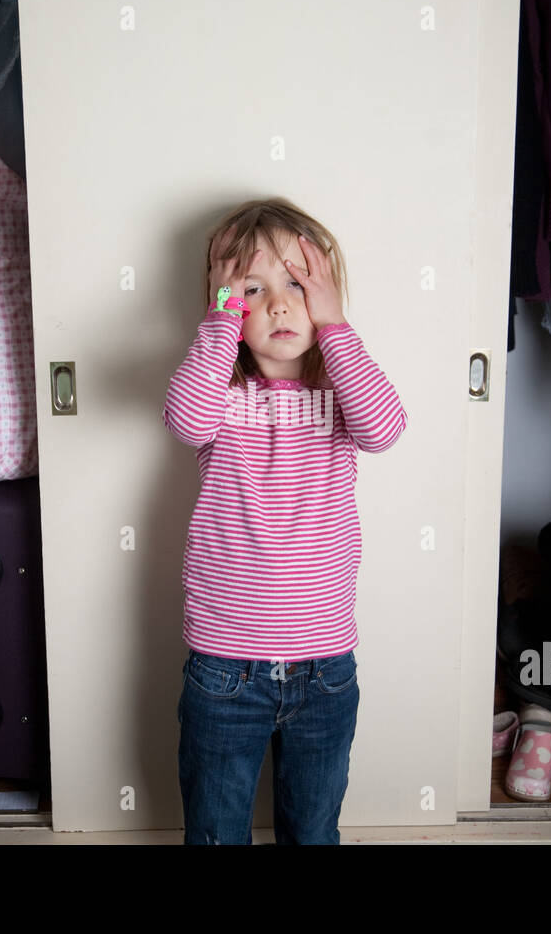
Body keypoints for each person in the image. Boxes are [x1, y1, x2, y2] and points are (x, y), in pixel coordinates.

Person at [163, 198, 407, 844]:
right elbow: (183, 419)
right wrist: (220, 323)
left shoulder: (340, 398)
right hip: (223, 668)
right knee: (215, 833)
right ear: (227, 305)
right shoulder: (220, 395)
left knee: (312, 832)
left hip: (325, 669)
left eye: (296, 286)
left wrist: (336, 326)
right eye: (252, 289)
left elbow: (385, 430)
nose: (276, 304)